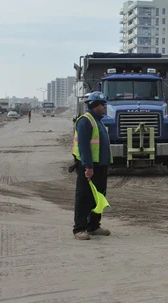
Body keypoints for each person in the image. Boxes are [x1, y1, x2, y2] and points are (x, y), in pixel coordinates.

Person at [71, 91, 112, 240]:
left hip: (100, 166)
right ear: (94, 105)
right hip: (89, 166)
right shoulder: (85, 121)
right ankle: (79, 229)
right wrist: (88, 166)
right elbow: (84, 147)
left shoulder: (98, 120)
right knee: (84, 197)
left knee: (98, 197)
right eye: (102, 104)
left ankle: (93, 226)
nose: (104, 107)